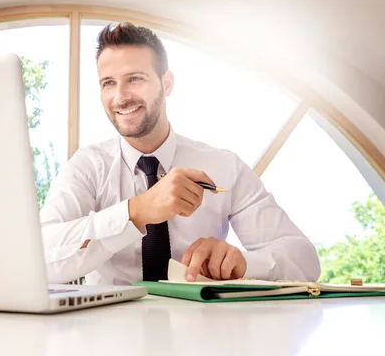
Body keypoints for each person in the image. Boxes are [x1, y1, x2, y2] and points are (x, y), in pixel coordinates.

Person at [40, 22, 321, 285]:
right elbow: (41, 256)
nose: (120, 97)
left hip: (201, 330)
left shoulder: (224, 167)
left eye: (134, 79)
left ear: (167, 83)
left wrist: (244, 263)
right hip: (105, 332)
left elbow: (305, 262)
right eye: (108, 83)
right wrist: (136, 211)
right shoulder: (88, 166)